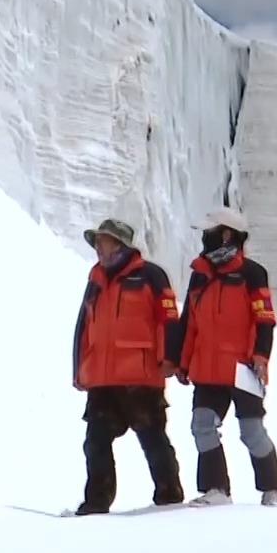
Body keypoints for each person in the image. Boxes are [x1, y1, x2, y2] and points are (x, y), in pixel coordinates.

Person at [69, 218, 188, 514]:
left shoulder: (151, 276)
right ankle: (96, 502)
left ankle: (169, 497)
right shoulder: (95, 280)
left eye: (104, 243)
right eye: (97, 243)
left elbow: (169, 319)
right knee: (95, 441)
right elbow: (83, 327)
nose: (99, 249)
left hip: (142, 376)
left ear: (120, 245)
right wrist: (80, 370)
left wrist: (170, 358)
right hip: (102, 378)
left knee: (152, 438)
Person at [173, 206, 277, 506]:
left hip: (244, 368)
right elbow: (189, 323)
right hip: (206, 368)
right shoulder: (200, 276)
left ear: (226, 234)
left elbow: (265, 319)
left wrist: (261, 356)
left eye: (209, 232)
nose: (204, 238)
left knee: (251, 431)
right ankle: (216, 490)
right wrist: (182, 362)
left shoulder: (251, 274)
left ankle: (273, 489)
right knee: (202, 425)